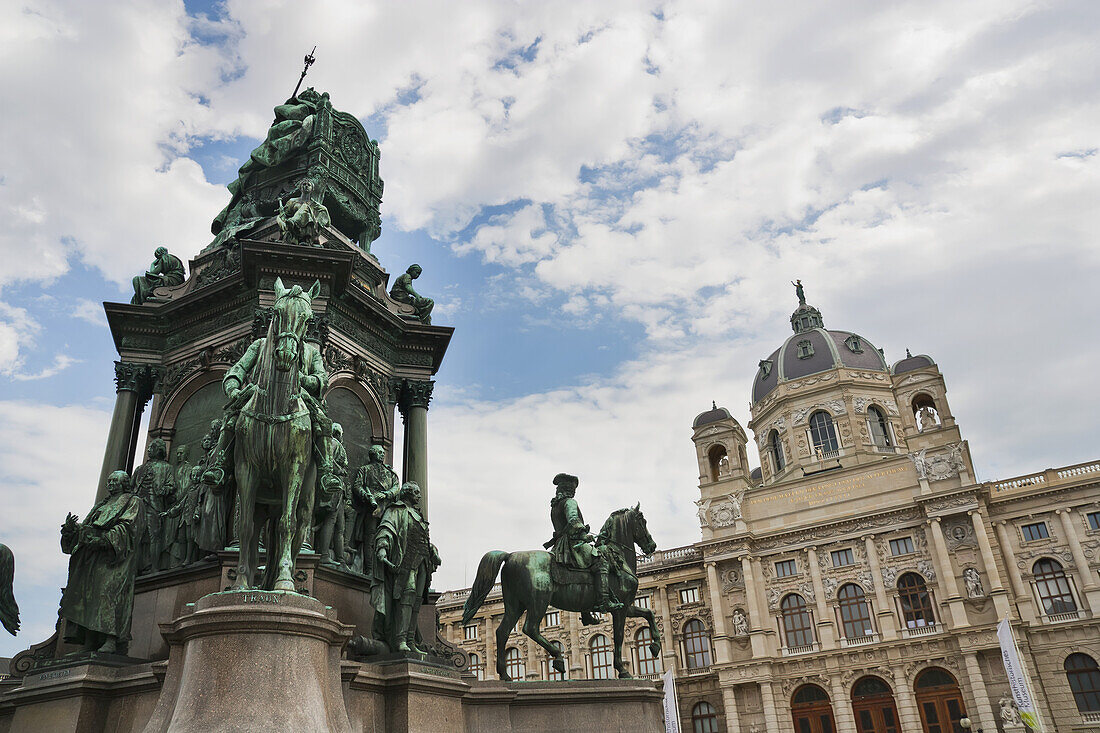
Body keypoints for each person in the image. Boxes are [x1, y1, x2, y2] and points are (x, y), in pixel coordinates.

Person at [200, 328, 341, 499]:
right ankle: (219, 466)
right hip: (259, 394)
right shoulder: (260, 346)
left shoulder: (311, 352)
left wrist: (301, 378)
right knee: (231, 419)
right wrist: (233, 390)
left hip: (300, 397)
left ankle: (326, 474)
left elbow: (321, 380)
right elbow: (237, 370)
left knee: (323, 423)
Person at [59, 470, 146, 654]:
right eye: (110, 480)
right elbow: (87, 529)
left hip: (116, 558)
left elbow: (129, 528)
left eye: (115, 481)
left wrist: (106, 540)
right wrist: (71, 530)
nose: (111, 484)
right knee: (90, 596)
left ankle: (111, 640)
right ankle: (90, 641)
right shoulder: (102, 504)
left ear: (124, 483)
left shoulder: (133, 501)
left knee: (109, 595)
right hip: (93, 557)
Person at [370, 482, 439, 653]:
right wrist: (382, 547)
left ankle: (411, 640)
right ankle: (400, 640)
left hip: (423, 562)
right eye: (416, 492)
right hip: (407, 561)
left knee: (416, 601)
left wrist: (433, 551)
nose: (419, 496)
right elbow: (386, 529)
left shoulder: (417, 515)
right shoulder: (396, 510)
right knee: (406, 597)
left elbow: (424, 540)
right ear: (407, 493)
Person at [544, 473, 621, 612]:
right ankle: (604, 601)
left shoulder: (555, 506)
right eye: (573, 489)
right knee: (601, 561)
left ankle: (586, 612)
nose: (574, 492)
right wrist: (584, 536)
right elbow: (573, 520)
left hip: (559, 546)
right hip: (572, 545)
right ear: (570, 490)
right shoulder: (569, 502)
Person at [351, 444, 401, 572]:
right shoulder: (365, 469)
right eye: (379, 452)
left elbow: (396, 487)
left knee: (387, 538)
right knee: (370, 539)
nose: (382, 454)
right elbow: (357, 486)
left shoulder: (390, 472)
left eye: (383, 453)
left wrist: (386, 494)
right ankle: (369, 569)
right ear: (372, 454)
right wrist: (367, 496)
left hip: (387, 509)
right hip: (372, 509)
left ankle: (384, 570)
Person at [132, 438, 175, 572]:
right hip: (138, 506)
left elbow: (171, 485)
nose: (149, 450)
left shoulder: (166, 468)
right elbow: (131, 487)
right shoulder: (139, 469)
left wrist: (163, 490)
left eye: (152, 447)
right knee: (136, 537)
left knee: (154, 537)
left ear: (159, 450)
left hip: (154, 506)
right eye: (149, 447)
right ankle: (135, 568)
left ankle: (155, 567)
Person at [314, 423, 349, 567]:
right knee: (331, 520)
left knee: (339, 526)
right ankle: (324, 554)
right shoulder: (334, 443)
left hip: (339, 489)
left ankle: (340, 559)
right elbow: (327, 459)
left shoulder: (333, 443)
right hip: (333, 486)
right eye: (341, 433)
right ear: (338, 433)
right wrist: (339, 470)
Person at [277, 178, 331, 246]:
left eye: (309, 185)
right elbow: (286, 215)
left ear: (312, 189)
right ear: (300, 187)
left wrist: (325, 210)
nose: (306, 186)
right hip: (295, 229)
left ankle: (293, 222)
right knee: (305, 207)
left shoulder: (316, 205)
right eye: (304, 184)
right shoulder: (292, 201)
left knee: (305, 207)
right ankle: (293, 223)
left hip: (310, 229)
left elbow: (328, 224)